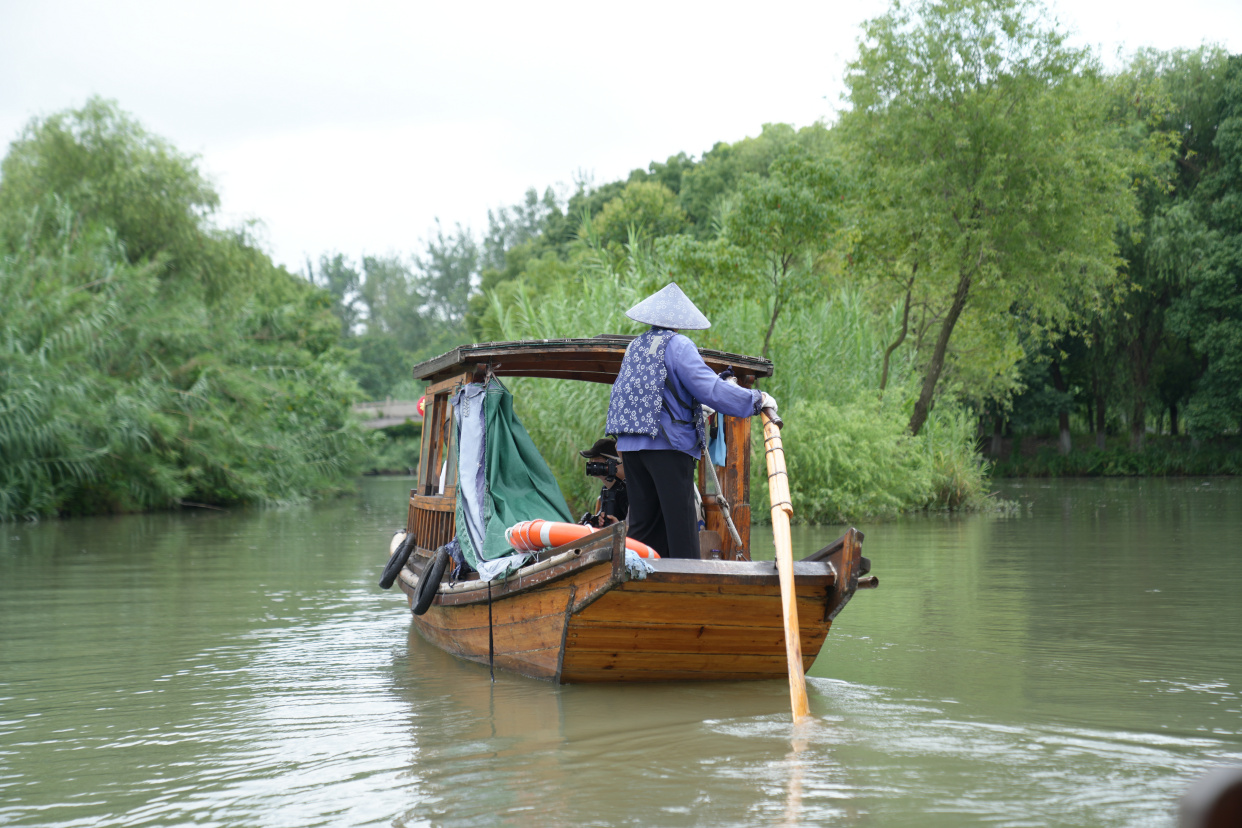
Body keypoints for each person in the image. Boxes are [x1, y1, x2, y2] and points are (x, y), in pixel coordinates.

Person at [605, 283, 776, 559]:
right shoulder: (678, 345)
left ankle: (644, 582)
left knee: (644, 531)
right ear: (678, 321)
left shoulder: (635, 346)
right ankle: (688, 583)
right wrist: (757, 400)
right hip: (668, 448)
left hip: (632, 449)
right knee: (682, 530)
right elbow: (710, 390)